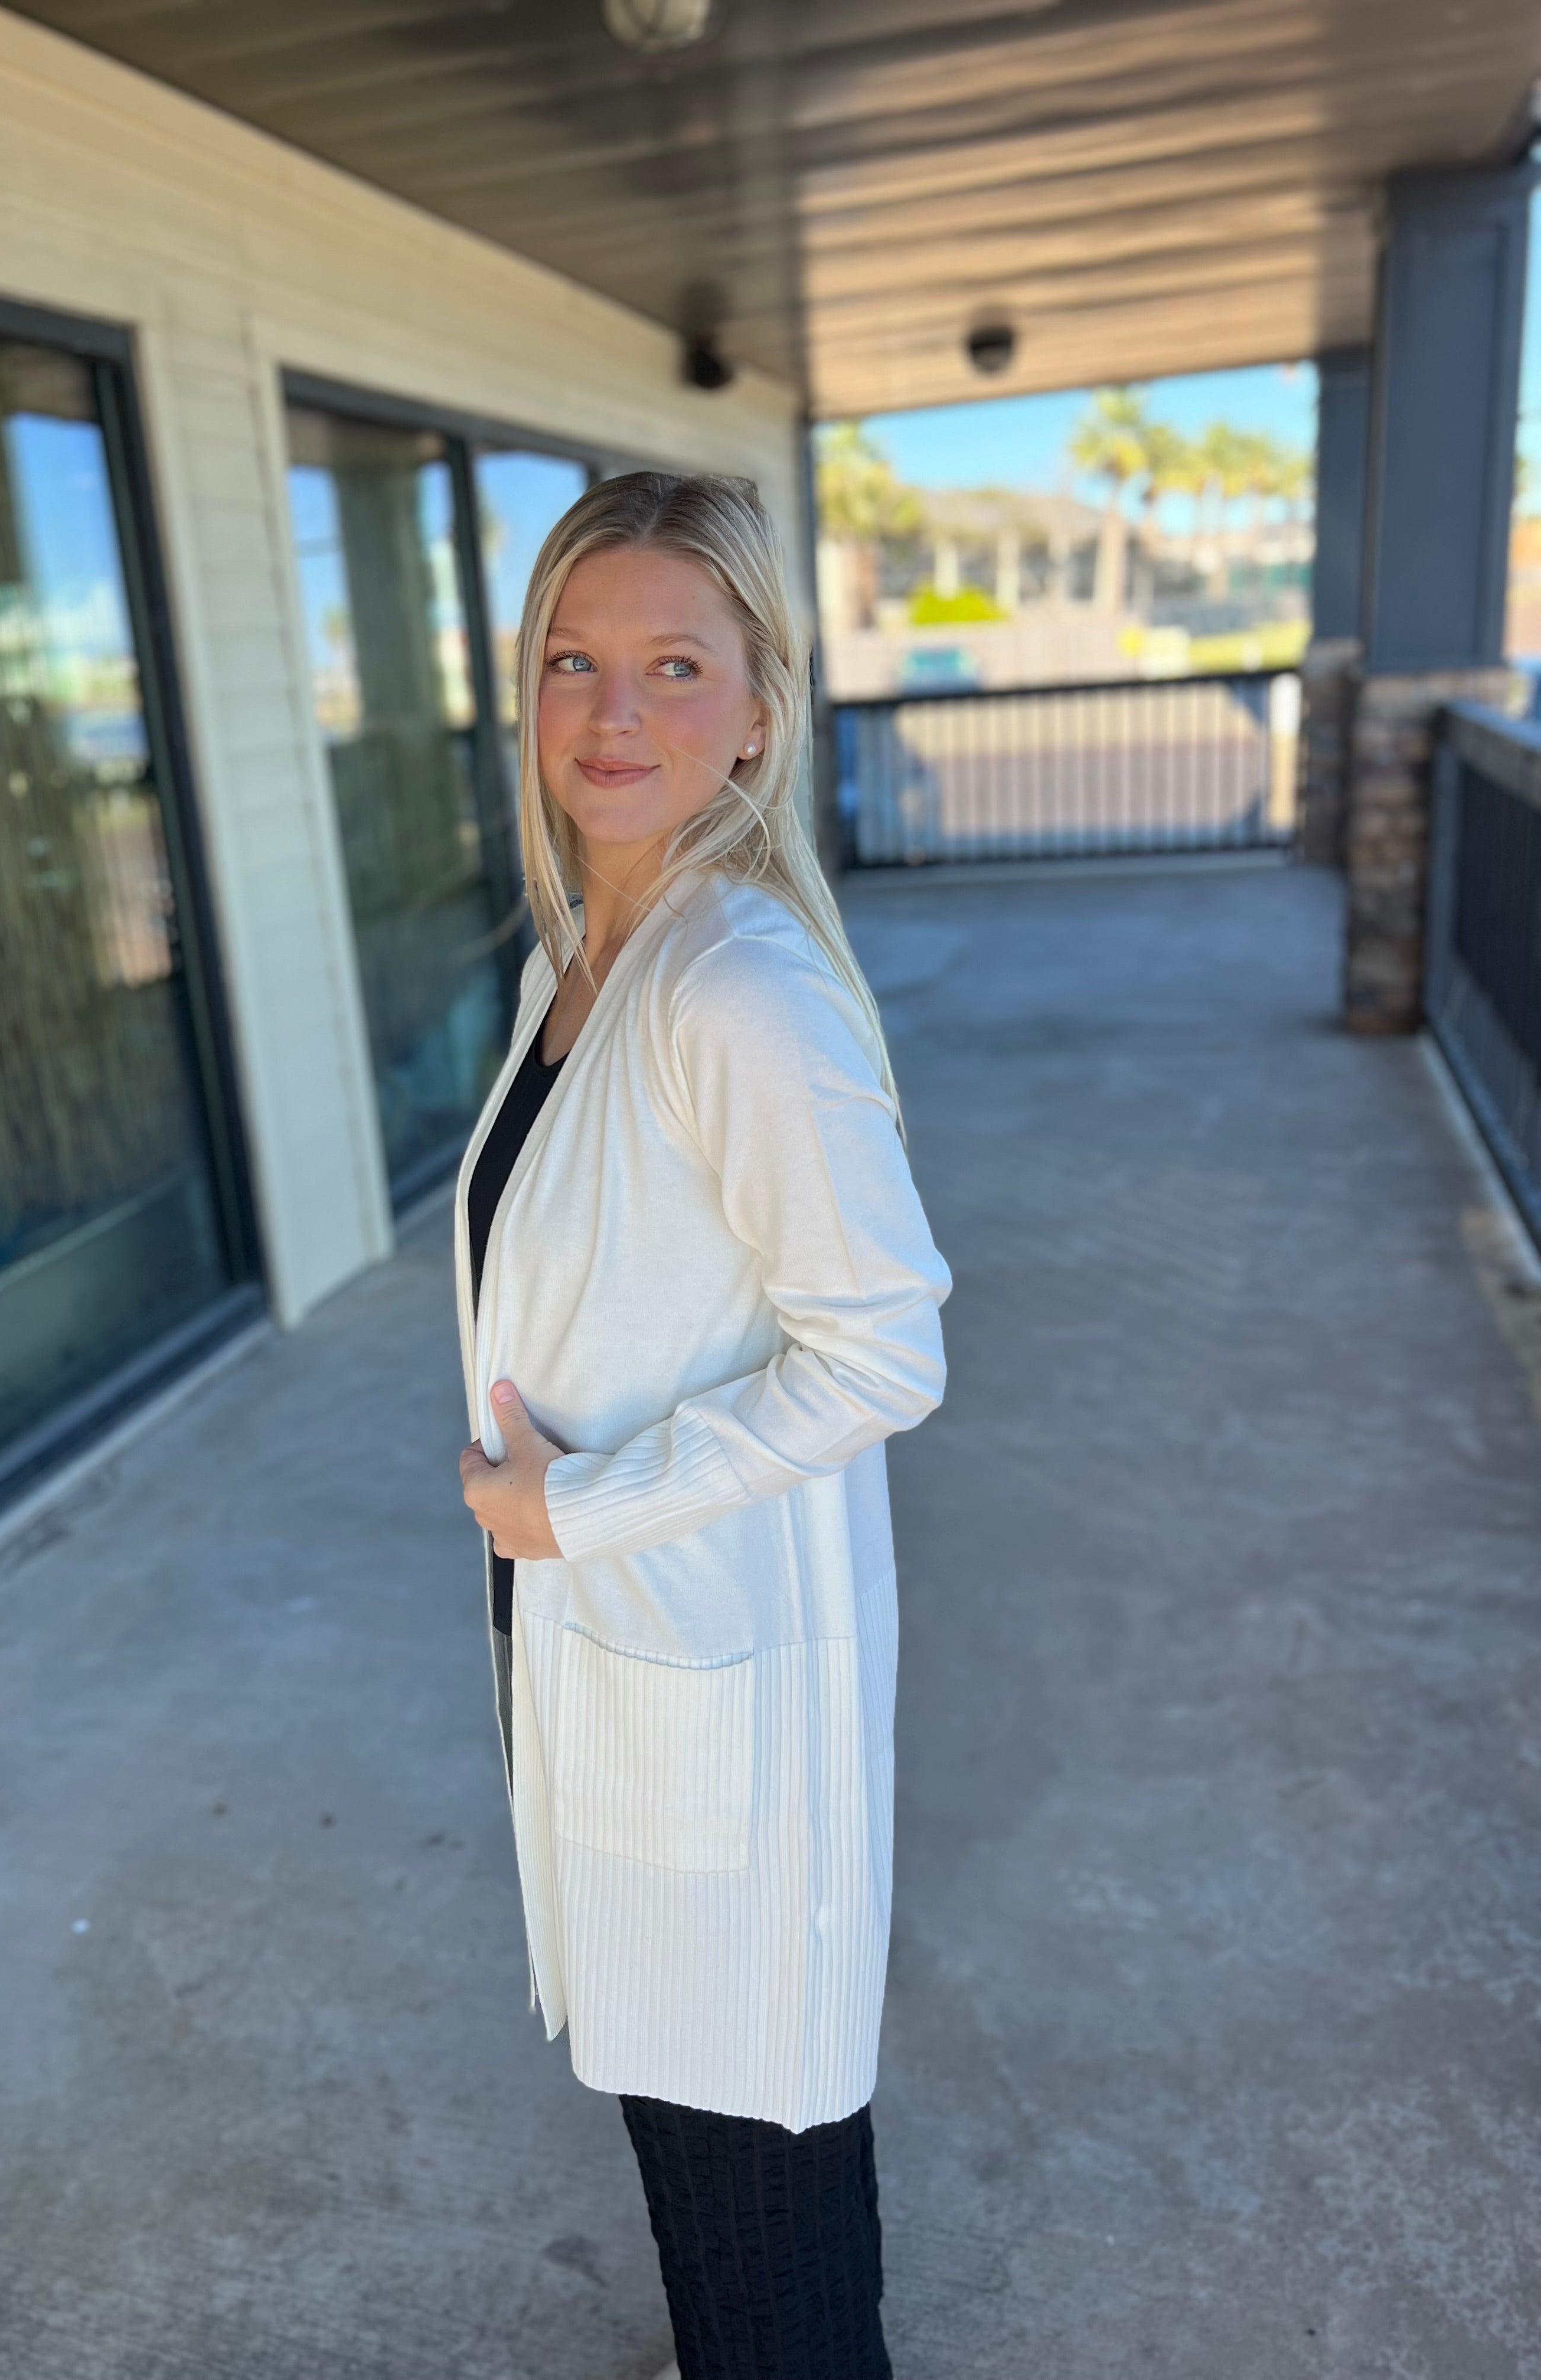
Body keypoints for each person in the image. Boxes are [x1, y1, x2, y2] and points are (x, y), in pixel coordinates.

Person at [455, 470, 951, 2380]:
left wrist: (576, 1510)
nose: (612, 713)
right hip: (602, 1630)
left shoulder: (737, 987)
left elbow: (883, 1354)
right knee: (700, 2125)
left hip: (695, 1643)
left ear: (759, 709)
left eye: (675, 665)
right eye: (572, 661)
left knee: (756, 2165)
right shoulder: (572, 964)